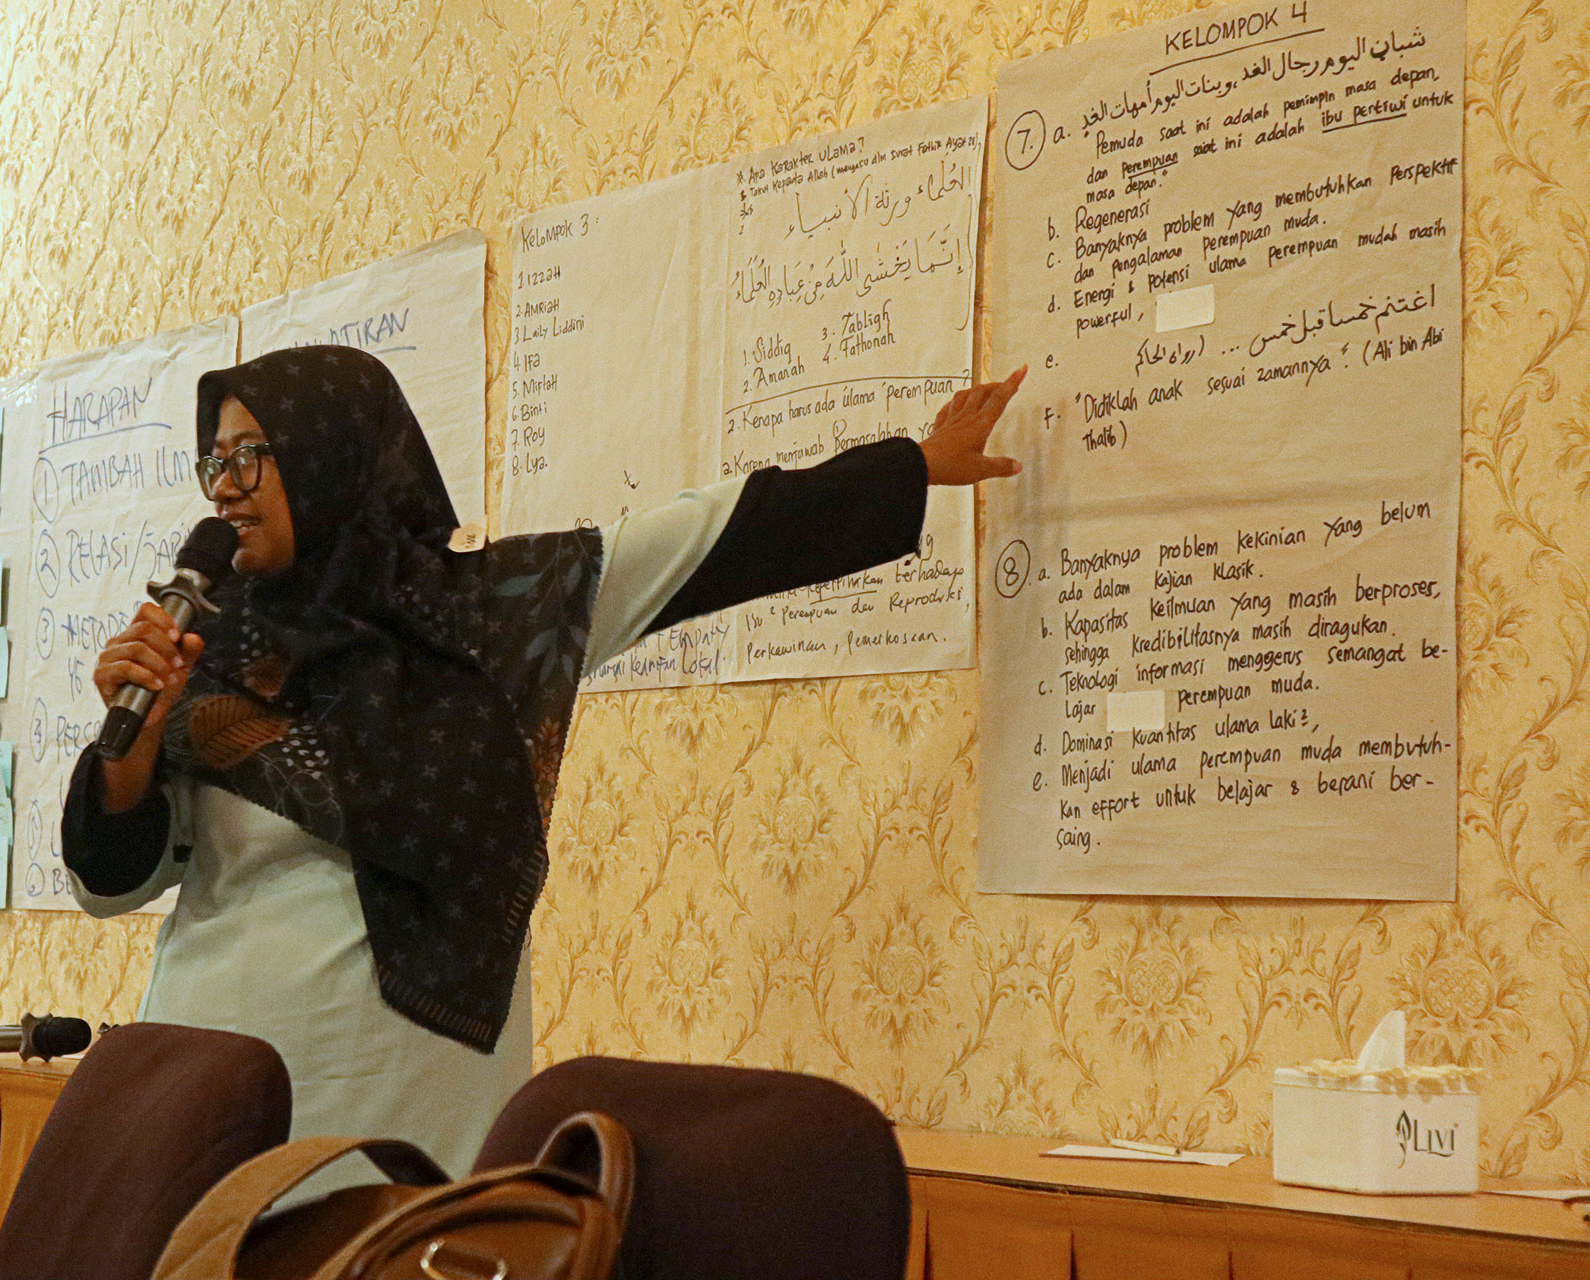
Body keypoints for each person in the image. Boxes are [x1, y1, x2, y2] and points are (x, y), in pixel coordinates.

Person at [63, 345, 1024, 1178]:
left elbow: (706, 536)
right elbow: (111, 884)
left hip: (406, 1113)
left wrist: (912, 469)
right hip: (204, 1111)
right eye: (213, 460)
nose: (222, 485)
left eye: (248, 456)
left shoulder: (495, 619)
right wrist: (133, 749)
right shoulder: (210, 649)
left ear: (332, 457)